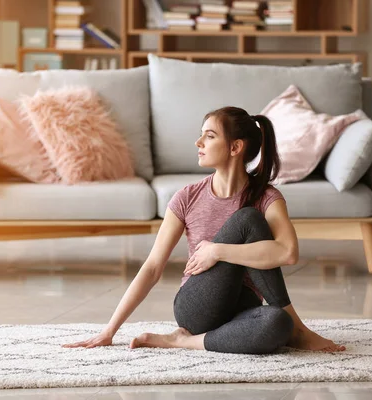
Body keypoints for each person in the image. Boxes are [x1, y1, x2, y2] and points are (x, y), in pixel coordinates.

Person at [63, 106, 346, 354]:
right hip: (198, 305)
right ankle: (297, 331)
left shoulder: (266, 196)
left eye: (209, 136)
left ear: (235, 147)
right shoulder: (187, 197)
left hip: (242, 307)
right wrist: (109, 330)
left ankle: (185, 342)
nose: (199, 142)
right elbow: (152, 267)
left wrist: (217, 250)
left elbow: (288, 253)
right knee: (247, 219)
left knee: (276, 324)